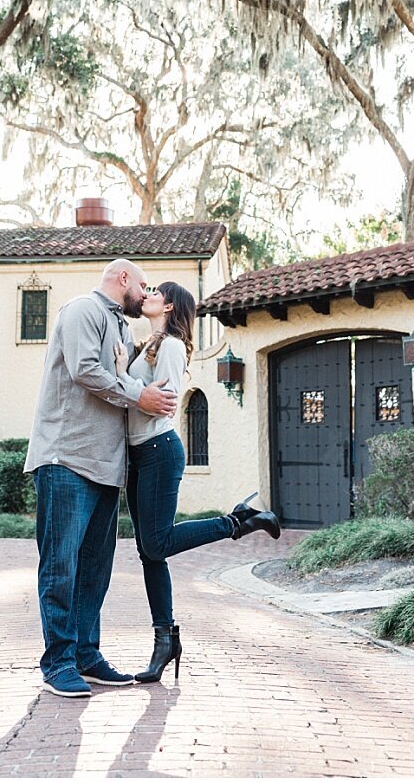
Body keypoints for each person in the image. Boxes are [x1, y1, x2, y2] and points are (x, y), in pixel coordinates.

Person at [24, 257, 178, 698]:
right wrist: (140, 396)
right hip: (66, 459)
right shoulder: (81, 311)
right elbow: (86, 370)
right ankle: (58, 663)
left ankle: (87, 657)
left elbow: (131, 371)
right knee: (61, 566)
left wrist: (156, 332)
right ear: (123, 278)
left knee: (95, 569)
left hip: (107, 468)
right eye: (144, 286)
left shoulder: (123, 328)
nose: (147, 295)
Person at [115, 281, 281, 685]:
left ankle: (239, 521)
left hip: (158, 450)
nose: (146, 294)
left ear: (169, 305)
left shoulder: (170, 346)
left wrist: (120, 375)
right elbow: (143, 394)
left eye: (154, 291)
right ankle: (165, 640)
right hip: (139, 455)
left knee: (157, 543)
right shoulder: (150, 343)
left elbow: (165, 399)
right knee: (150, 554)